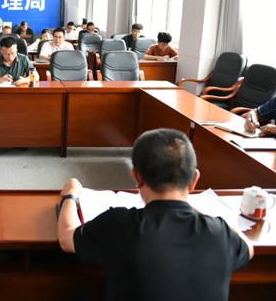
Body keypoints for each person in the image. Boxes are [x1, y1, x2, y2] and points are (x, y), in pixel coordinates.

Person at [57, 128, 253, 301]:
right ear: (194, 180)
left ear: (136, 177)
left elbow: (67, 238)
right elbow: (248, 246)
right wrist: (189, 206)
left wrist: (70, 195)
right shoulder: (219, 233)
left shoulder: (119, 223)